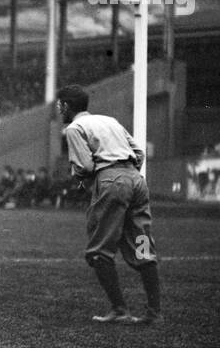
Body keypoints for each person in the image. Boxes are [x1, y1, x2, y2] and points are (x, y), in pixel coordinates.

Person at [57, 84, 161, 324]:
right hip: (137, 180)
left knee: (98, 250)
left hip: (111, 180)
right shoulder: (110, 121)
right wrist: (128, 174)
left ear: (67, 106)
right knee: (143, 247)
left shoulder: (74, 128)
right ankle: (154, 313)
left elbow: (85, 166)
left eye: (60, 106)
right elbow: (139, 153)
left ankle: (119, 309)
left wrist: (88, 180)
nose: (59, 110)